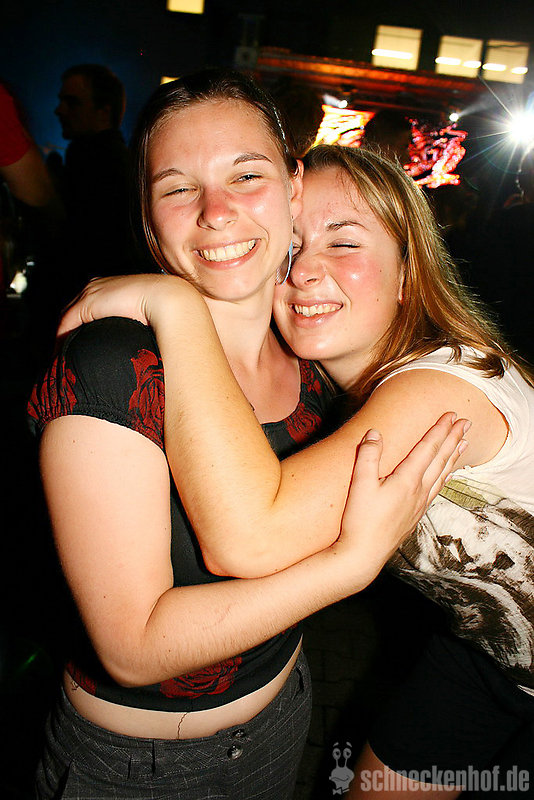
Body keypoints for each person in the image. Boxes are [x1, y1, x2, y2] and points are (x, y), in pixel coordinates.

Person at [28, 71, 465, 800]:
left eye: (246, 175)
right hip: (139, 771)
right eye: (177, 188)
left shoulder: (312, 356)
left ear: (293, 187)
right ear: (149, 217)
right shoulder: (111, 365)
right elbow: (133, 647)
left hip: (283, 717)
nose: (216, 212)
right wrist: (347, 568)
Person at [53, 64, 139, 304]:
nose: (59, 110)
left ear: (103, 111)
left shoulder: (96, 163)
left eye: (72, 102)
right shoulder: (110, 159)